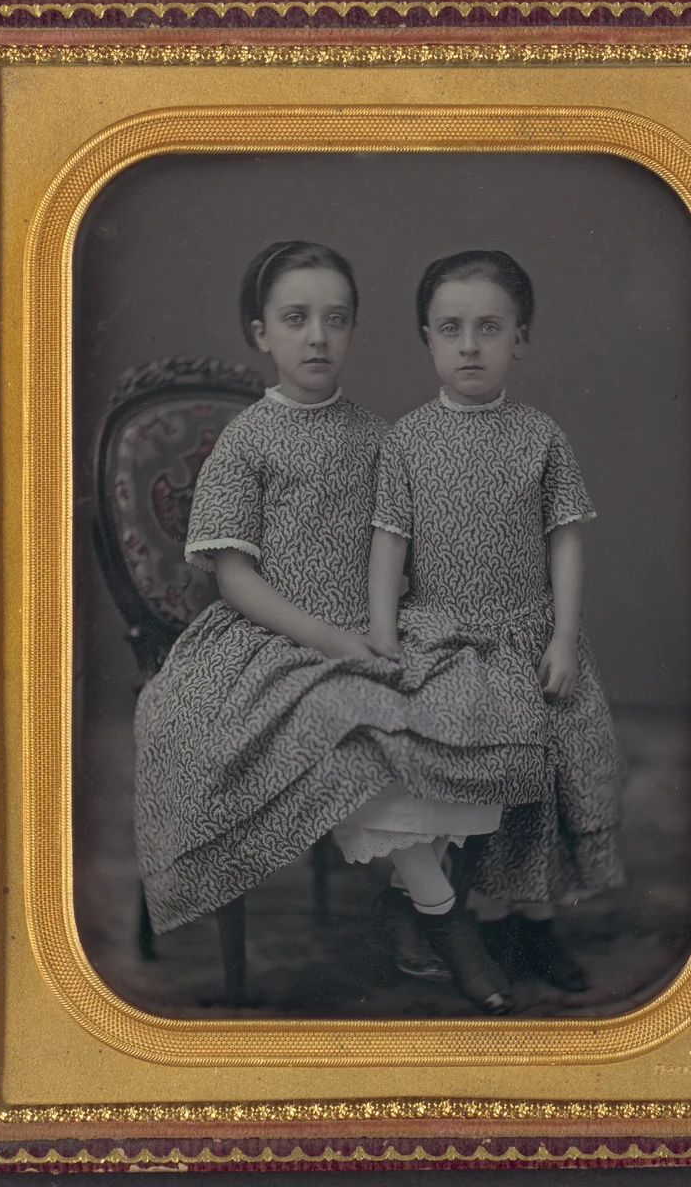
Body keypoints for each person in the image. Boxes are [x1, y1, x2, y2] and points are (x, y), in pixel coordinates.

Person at [134, 241, 552, 1014]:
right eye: (296, 320)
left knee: (474, 696)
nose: (317, 337)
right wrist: (328, 641)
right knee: (345, 719)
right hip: (275, 636)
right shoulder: (249, 441)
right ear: (262, 333)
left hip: (379, 620)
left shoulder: (378, 434)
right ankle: (446, 920)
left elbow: (407, 542)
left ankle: (406, 896)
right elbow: (233, 577)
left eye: (336, 319)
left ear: (355, 328)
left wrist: (393, 629)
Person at [368, 249, 624, 995]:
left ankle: (535, 929)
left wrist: (564, 637)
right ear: (428, 339)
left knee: (550, 771)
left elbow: (565, 538)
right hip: (443, 642)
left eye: (489, 328)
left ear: (520, 339)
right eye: (452, 329)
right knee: (467, 779)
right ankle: (455, 916)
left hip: (527, 635)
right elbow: (389, 541)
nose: (470, 345)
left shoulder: (541, 436)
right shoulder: (406, 440)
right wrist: (385, 635)